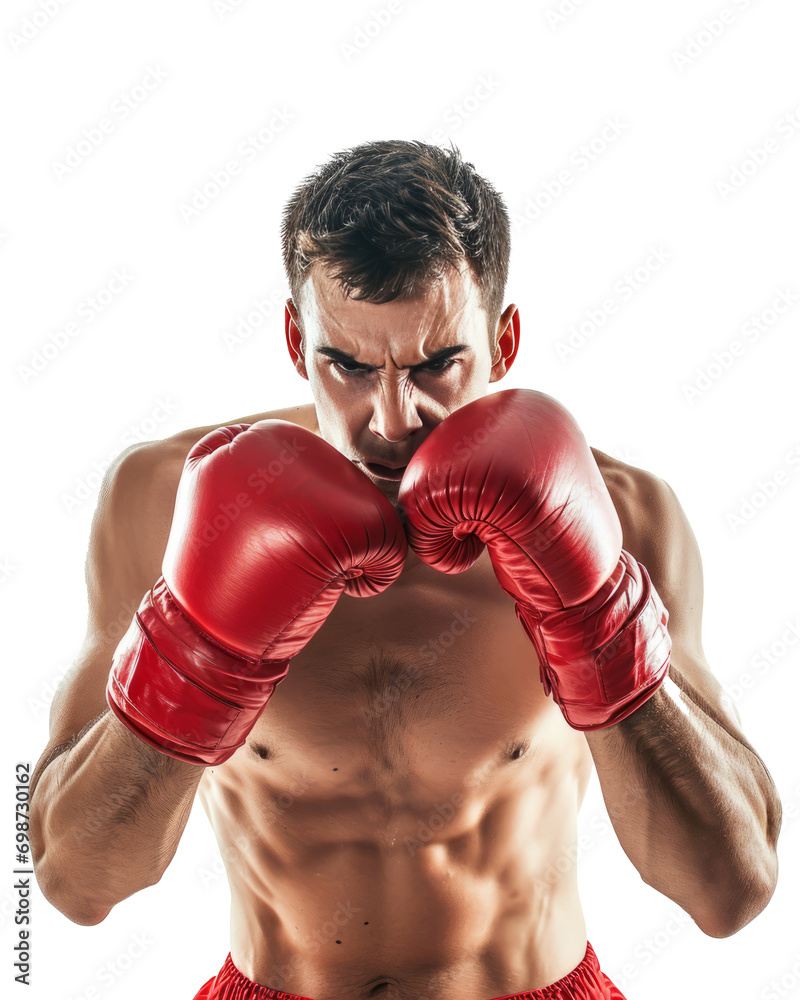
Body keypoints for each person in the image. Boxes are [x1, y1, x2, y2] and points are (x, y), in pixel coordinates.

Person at [29, 139, 781, 1000]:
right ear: (292, 337)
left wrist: (599, 618)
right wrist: (198, 651)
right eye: (346, 365)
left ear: (504, 340)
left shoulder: (622, 512)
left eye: (436, 365)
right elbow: (69, 881)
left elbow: (733, 891)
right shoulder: (165, 501)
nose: (392, 416)